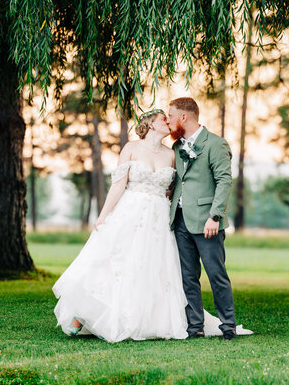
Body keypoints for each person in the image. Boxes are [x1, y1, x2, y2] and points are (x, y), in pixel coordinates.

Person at [52, 108, 251, 342]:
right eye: (163, 119)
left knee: (155, 268)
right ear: (150, 124)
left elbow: (175, 187)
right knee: (118, 262)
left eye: (170, 118)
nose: (168, 122)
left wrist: (209, 213)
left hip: (159, 218)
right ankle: (88, 314)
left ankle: (170, 321)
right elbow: (118, 184)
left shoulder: (172, 153)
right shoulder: (131, 149)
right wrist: (104, 214)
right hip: (131, 213)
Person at [168, 97, 237, 340]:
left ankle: (228, 325)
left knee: (216, 274)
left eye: (171, 116)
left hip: (207, 222)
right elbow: (180, 180)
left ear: (183, 117)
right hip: (180, 221)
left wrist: (214, 216)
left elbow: (224, 181)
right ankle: (194, 326)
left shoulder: (215, 144)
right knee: (188, 276)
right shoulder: (177, 147)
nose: (168, 121)